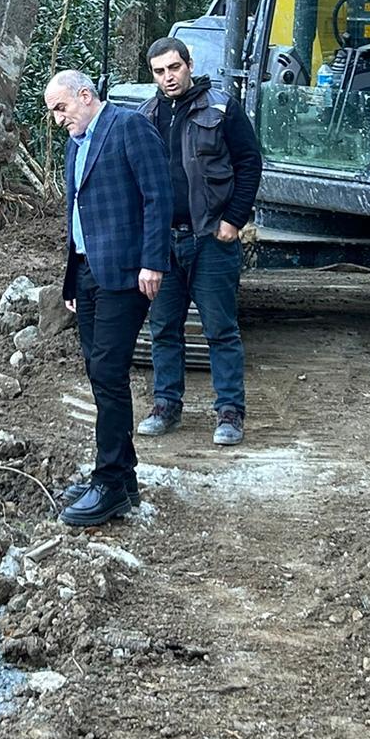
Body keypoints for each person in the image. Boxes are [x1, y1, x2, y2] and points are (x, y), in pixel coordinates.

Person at [45, 68, 171, 527]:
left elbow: (158, 197)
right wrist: (72, 281)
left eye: (62, 108)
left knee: (108, 371)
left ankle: (110, 483)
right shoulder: (74, 144)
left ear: (84, 95)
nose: (58, 119)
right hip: (87, 273)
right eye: (53, 112)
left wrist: (153, 261)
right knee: (98, 372)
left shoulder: (129, 126)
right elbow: (76, 214)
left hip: (127, 273)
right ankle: (125, 477)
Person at [137, 36, 263, 446]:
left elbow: (249, 163)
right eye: (159, 71)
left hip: (212, 237)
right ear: (152, 75)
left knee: (220, 330)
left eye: (174, 67)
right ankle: (166, 405)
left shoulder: (222, 108)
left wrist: (234, 219)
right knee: (163, 328)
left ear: (189, 65)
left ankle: (229, 413)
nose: (168, 77)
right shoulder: (145, 116)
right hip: (164, 243)